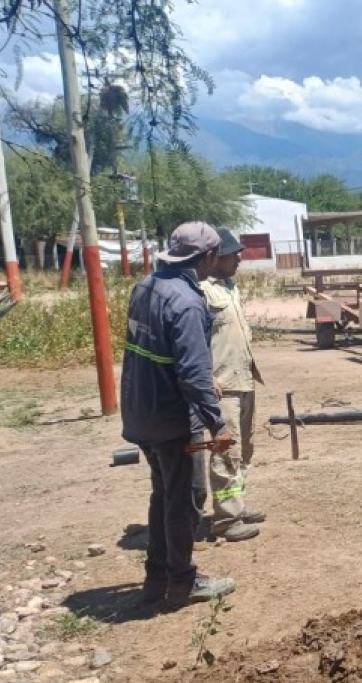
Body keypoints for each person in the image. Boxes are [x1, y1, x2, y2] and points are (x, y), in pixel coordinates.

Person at [120, 221, 237, 607]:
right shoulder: (186, 301)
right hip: (171, 417)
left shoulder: (146, 286)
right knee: (188, 495)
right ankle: (183, 582)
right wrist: (217, 423)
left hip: (141, 410)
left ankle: (157, 579)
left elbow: (161, 351)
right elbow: (191, 372)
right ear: (207, 257)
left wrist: (200, 378)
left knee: (163, 493)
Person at [196, 227, 265, 542]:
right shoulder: (202, 291)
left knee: (244, 449)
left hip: (244, 379)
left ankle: (238, 506)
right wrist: (206, 377)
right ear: (215, 257)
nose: (239, 259)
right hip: (223, 386)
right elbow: (195, 340)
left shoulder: (229, 287)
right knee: (226, 452)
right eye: (233, 255)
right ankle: (226, 520)